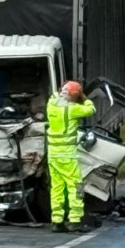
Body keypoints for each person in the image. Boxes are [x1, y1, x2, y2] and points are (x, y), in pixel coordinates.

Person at [47, 81, 96, 233]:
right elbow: (91, 109)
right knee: (76, 186)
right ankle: (75, 220)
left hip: (53, 155)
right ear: (74, 96)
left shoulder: (51, 104)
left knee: (57, 187)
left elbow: (56, 94)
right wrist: (83, 96)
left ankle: (57, 220)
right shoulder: (72, 108)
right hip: (67, 155)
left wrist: (65, 88)